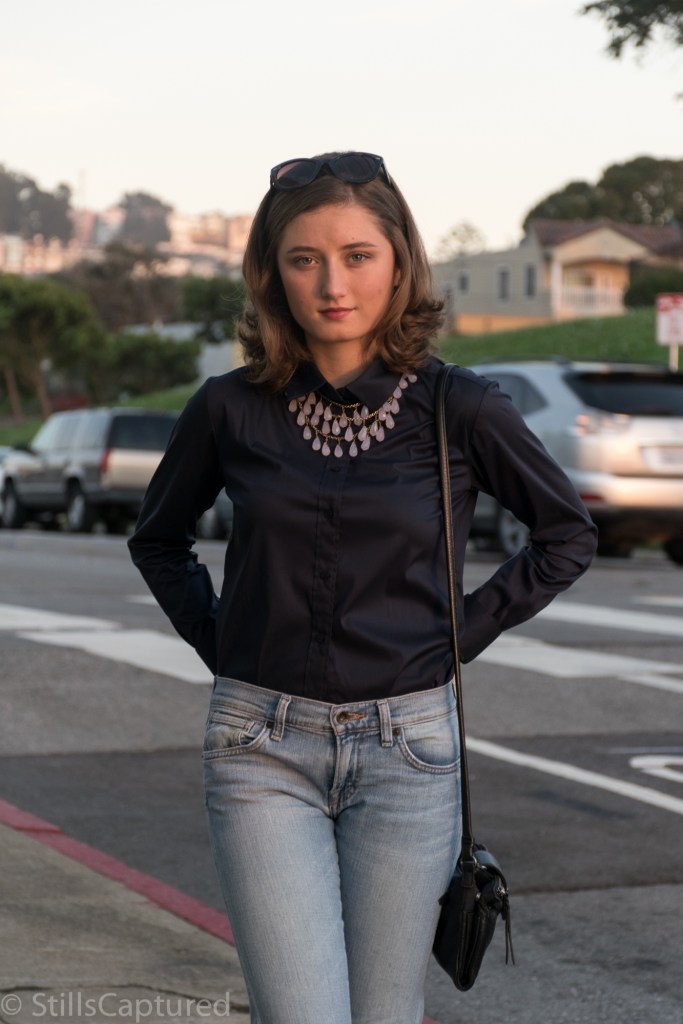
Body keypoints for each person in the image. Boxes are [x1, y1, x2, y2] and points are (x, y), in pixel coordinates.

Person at [128, 151, 597, 1024]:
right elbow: (158, 539)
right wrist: (227, 644)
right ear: (272, 273)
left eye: (356, 255)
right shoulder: (228, 406)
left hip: (409, 754)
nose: (332, 284)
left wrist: (457, 633)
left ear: (399, 261)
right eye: (304, 259)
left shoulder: (461, 406)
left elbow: (566, 534)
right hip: (259, 749)